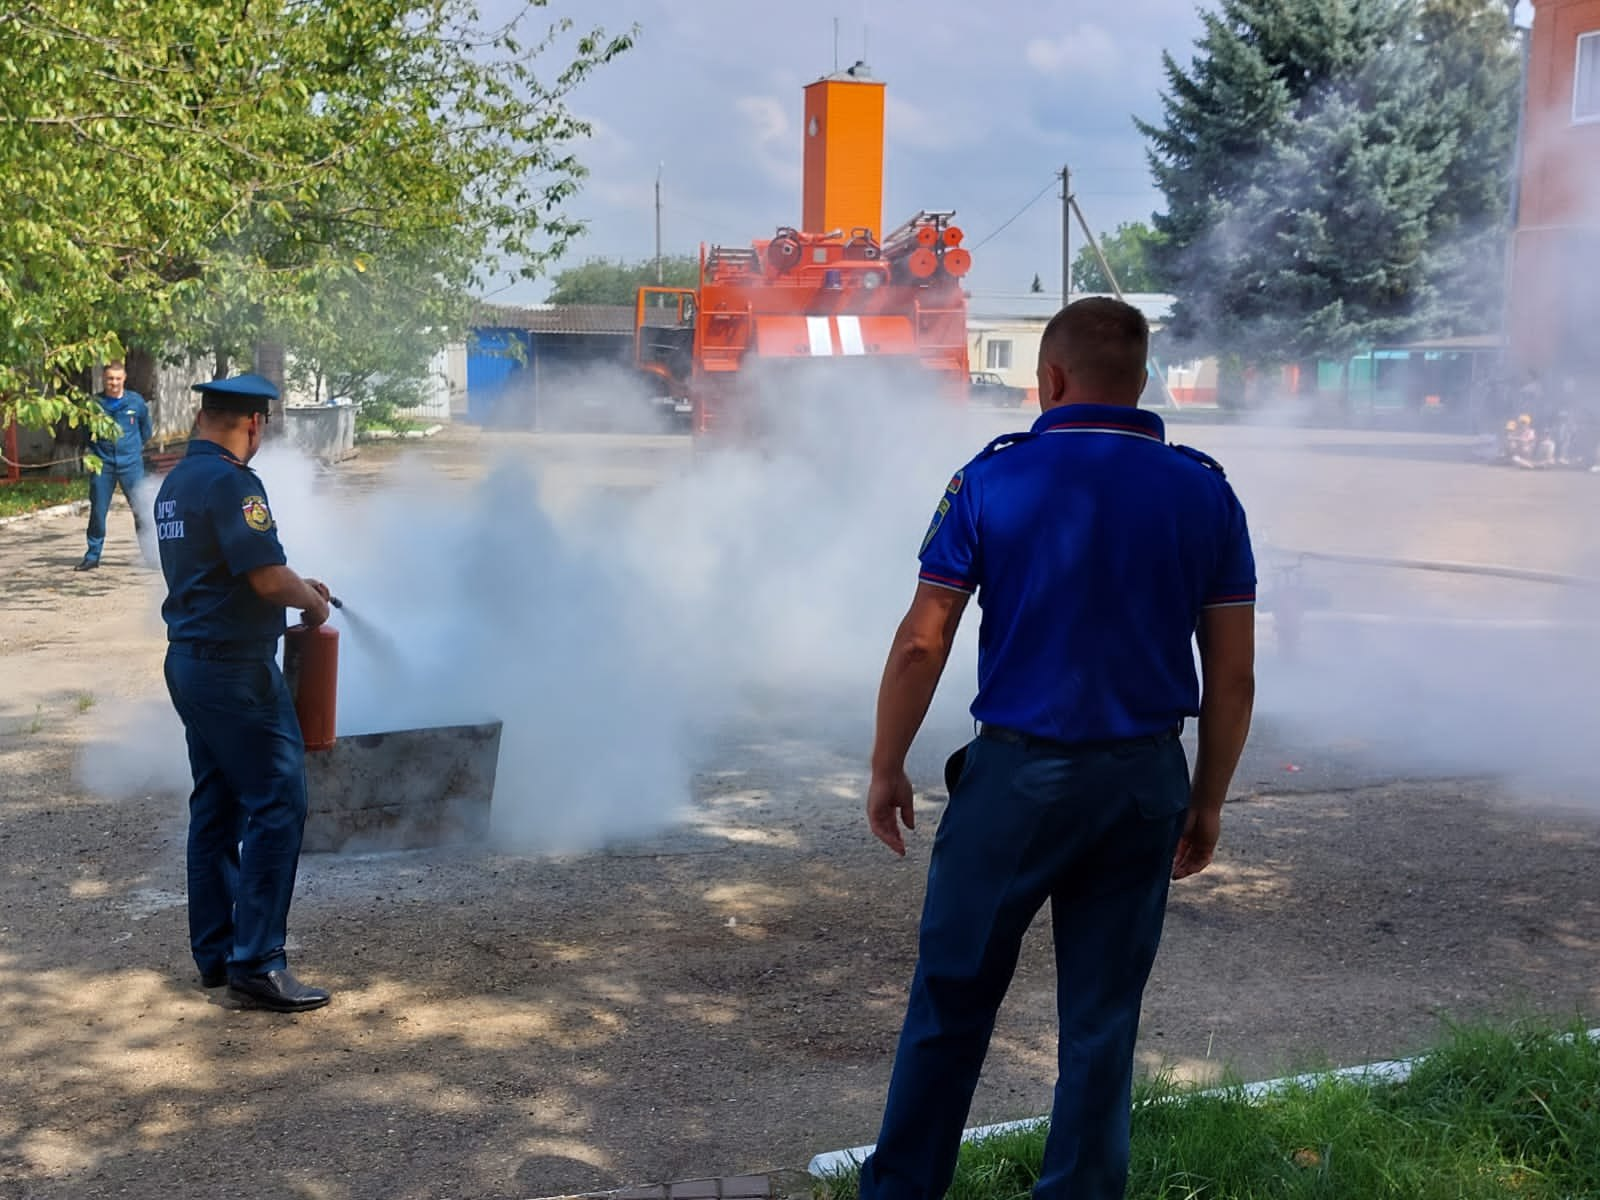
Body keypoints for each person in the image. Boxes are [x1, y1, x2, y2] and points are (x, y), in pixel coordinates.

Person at [858, 298, 1257, 1200]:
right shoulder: (1204, 491)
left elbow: (925, 641)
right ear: (1143, 380)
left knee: (951, 1004)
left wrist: (887, 765)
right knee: (1102, 1024)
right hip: (1143, 781)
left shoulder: (994, 480)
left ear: (1050, 379)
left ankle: (903, 1193)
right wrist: (1207, 800)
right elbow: (1230, 677)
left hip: (1018, 784)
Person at [154, 372, 334, 1013]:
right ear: (254, 424)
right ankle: (258, 962)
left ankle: (216, 956)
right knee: (278, 804)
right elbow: (262, 578)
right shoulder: (234, 482)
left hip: (191, 665)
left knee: (217, 810)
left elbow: (223, 574)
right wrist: (309, 600)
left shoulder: (176, 483)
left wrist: (290, 584)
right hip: (236, 674)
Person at [76, 361, 152, 571]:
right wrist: (96, 454)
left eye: (118, 379)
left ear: (124, 379)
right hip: (103, 465)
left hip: (131, 465)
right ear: (104, 379)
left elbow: (146, 431)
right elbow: (86, 433)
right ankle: (92, 556)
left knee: (140, 510)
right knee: (98, 512)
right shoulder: (95, 404)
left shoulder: (135, 402)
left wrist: (133, 450)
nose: (114, 383)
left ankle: (151, 555)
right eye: (110, 378)